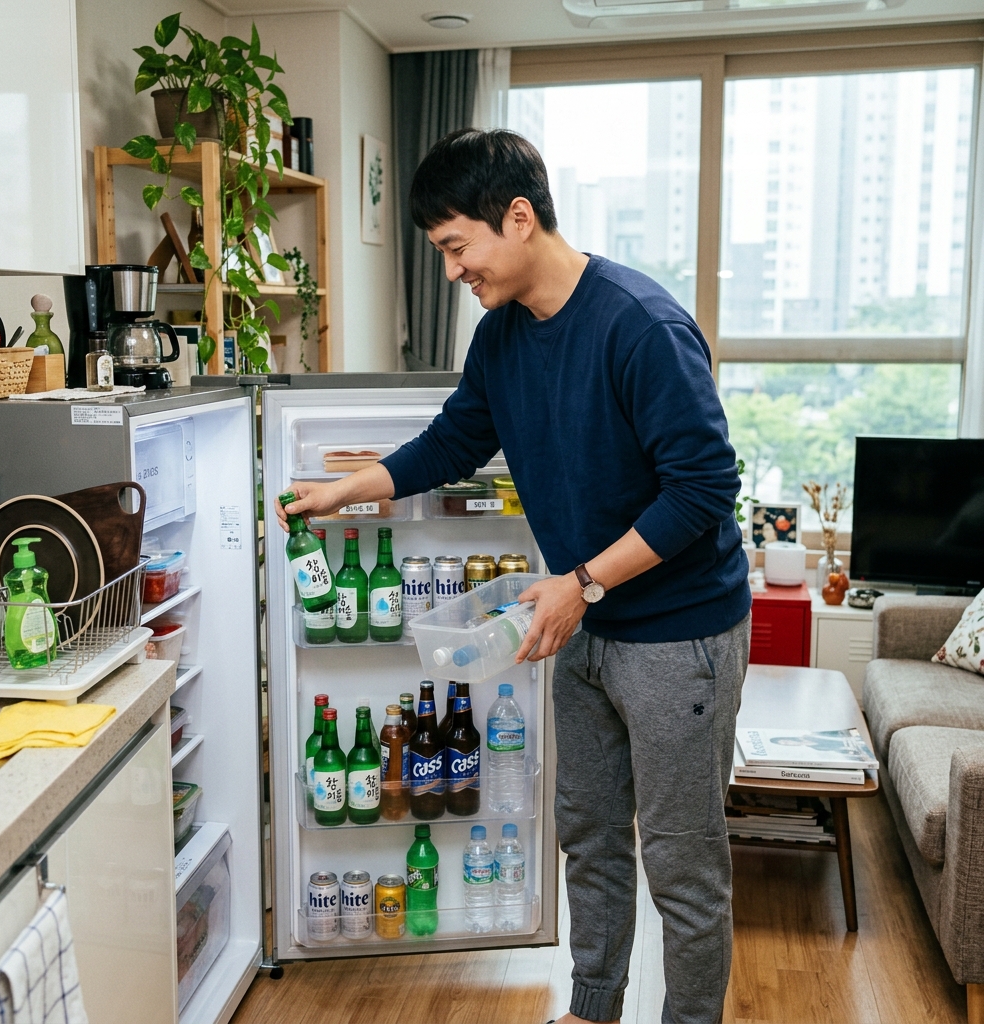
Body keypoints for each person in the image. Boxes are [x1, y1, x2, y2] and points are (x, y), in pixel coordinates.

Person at [276, 128, 751, 1024]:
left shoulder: (639, 326)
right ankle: (593, 1009)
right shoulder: (500, 337)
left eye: (458, 246)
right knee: (590, 837)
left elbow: (703, 489)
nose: (453, 269)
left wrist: (583, 583)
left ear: (519, 217)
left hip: (678, 633)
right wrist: (345, 491)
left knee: (682, 862)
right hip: (582, 620)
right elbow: (452, 443)